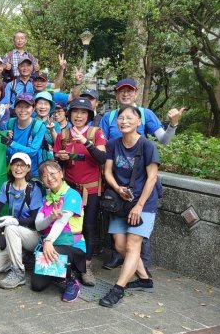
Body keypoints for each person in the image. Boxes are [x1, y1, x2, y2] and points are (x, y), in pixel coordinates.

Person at [100, 78, 184, 270]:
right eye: (122, 91)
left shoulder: (145, 115)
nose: (126, 94)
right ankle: (118, 255)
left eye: (130, 91)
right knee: (117, 217)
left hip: (139, 178)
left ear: (136, 93)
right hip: (117, 177)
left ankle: (143, 267)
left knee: (138, 225)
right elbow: (102, 144)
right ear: (116, 94)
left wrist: (173, 124)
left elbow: (163, 140)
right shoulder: (109, 117)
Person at [99, 105, 160, 308]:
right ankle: (144, 279)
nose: (124, 121)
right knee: (119, 246)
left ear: (139, 122)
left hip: (144, 202)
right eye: (121, 118)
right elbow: (107, 172)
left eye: (129, 118)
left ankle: (118, 289)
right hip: (120, 200)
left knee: (133, 245)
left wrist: (139, 206)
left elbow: (152, 178)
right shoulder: (113, 144)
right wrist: (118, 189)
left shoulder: (147, 146)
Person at [54, 97, 107, 286]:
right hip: (69, 190)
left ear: (89, 115)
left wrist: (86, 142)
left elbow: (102, 158)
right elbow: (59, 163)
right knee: (66, 225)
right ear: (70, 114)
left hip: (90, 190)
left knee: (89, 227)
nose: (79, 115)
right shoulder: (63, 134)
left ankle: (86, 266)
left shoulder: (96, 133)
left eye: (83, 112)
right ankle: (66, 264)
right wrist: (59, 157)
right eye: (75, 111)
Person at [0, 153, 43, 288]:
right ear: (10, 167)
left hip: (31, 236)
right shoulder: (7, 186)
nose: (18, 168)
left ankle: (18, 273)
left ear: (28, 168)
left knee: (10, 227)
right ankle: (22, 257)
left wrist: (15, 221)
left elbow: (35, 221)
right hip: (13, 236)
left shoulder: (34, 189)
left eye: (22, 165)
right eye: (15, 164)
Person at [32, 160, 86, 302]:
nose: (49, 178)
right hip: (52, 245)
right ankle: (58, 275)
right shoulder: (46, 199)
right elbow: (38, 226)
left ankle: (71, 280)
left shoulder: (72, 195)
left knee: (54, 250)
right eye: (45, 176)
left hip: (73, 247)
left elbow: (62, 222)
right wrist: (50, 217)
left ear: (61, 174)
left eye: (52, 173)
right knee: (37, 285)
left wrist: (48, 241)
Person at [0, 94, 46, 178]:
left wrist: (11, 143)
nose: (23, 110)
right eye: (19, 107)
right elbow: (3, 149)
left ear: (33, 109)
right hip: (13, 170)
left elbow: (32, 152)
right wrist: (6, 139)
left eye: (27, 107)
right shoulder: (10, 123)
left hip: (32, 172)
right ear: (15, 108)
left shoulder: (38, 126)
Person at [34, 91, 59, 162]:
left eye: (46, 104)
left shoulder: (55, 124)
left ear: (50, 107)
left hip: (49, 160)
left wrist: (52, 130)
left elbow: (59, 144)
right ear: (35, 106)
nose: (43, 107)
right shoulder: (30, 121)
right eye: (40, 103)